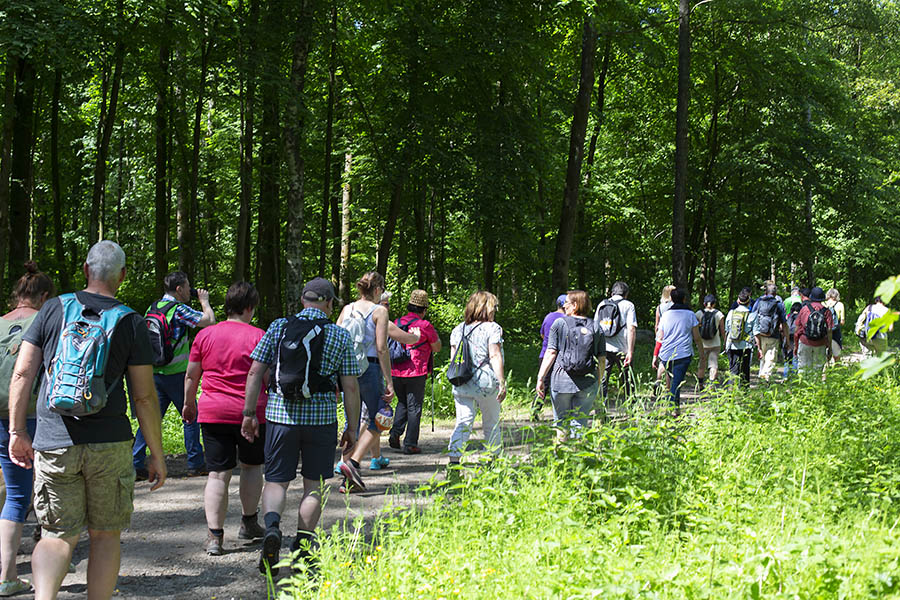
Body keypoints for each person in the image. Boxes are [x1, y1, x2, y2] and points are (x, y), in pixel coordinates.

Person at [8, 240, 166, 600]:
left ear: (85, 270)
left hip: (54, 439)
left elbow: (23, 374)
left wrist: (18, 431)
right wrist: (155, 452)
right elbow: (143, 395)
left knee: (57, 534)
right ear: (122, 276)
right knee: (106, 534)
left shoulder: (52, 309)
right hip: (109, 443)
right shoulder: (130, 321)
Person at [242, 277, 361, 575]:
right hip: (321, 421)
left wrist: (249, 413)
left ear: (303, 300)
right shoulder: (339, 335)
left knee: (276, 481)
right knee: (313, 486)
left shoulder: (279, 327)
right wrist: (352, 428)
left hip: (281, 417)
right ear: (330, 303)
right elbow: (351, 387)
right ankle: (304, 547)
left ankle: (271, 528)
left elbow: (256, 370)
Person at [182, 282, 267, 556]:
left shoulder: (205, 335)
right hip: (251, 413)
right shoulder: (259, 336)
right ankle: (249, 523)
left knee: (218, 474)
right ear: (249, 308)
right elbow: (265, 378)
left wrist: (188, 404)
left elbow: (191, 375)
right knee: (252, 467)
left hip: (213, 411)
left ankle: (215, 537)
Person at [0, 263, 54, 596]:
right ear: (44, 297)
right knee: (26, 493)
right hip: (27, 418)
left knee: (12, 491)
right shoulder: (44, 321)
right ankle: (9, 575)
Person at [335, 272, 417, 489]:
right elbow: (382, 348)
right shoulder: (379, 311)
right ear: (378, 290)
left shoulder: (347, 309)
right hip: (369, 369)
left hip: (346, 372)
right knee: (381, 418)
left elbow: (335, 340)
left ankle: (347, 480)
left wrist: (334, 377)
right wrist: (389, 381)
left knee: (351, 423)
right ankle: (352, 463)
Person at [133, 271, 216, 479]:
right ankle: (195, 462)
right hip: (176, 374)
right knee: (190, 416)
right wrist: (204, 301)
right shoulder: (179, 310)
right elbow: (209, 322)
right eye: (188, 287)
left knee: (150, 418)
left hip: (154, 373)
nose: (190, 290)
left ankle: (135, 463)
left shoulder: (153, 308)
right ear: (179, 289)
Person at [534, 290, 605, 439]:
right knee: (581, 423)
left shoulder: (559, 323)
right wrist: (598, 381)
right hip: (587, 382)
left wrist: (541, 378)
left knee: (561, 423)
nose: (564, 305)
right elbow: (602, 359)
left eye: (567, 302)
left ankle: (561, 457)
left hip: (561, 381)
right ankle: (577, 459)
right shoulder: (596, 326)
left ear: (575, 305)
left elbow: (551, 352)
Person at [448, 291, 506, 464]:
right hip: (486, 382)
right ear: (487, 308)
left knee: (463, 422)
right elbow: (494, 355)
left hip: (462, 382)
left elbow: (453, 359)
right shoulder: (493, 328)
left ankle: (454, 460)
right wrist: (502, 382)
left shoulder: (458, 329)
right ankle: (492, 460)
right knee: (491, 422)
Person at [389, 290, 441, 455]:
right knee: (414, 407)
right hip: (415, 371)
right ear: (424, 309)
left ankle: (395, 433)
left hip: (395, 369)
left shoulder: (397, 322)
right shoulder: (425, 325)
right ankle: (410, 443)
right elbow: (436, 347)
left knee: (402, 403)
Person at [652, 289, 701, 411]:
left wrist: (656, 354)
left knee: (675, 381)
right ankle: (672, 408)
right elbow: (697, 337)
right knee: (676, 382)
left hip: (666, 354)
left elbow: (660, 337)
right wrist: (702, 353)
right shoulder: (690, 315)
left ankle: (674, 408)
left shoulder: (666, 315)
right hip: (683, 353)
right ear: (684, 299)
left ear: (672, 299)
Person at [594, 282, 637, 402]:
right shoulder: (628, 305)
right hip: (622, 348)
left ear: (612, 292)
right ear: (626, 294)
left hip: (604, 348)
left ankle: (600, 411)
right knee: (627, 378)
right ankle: (632, 407)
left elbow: (595, 327)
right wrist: (630, 351)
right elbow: (631, 328)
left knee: (602, 379)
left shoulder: (602, 304)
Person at [531, 294, 567, 420]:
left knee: (543, 385)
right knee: (560, 385)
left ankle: (534, 411)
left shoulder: (548, 316)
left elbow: (542, 334)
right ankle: (560, 414)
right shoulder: (566, 318)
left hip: (544, 354)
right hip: (559, 356)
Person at [794, 286, 834, 378]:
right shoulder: (826, 311)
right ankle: (815, 389)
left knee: (803, 368)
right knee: (818, 369)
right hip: (820, 343)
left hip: (804, 341)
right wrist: (829, 347)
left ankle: (802, 388)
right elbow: (829, 331)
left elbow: (797, 329)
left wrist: (796, 345)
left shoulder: (804, 309)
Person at [752, 283, 788, 383]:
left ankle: (761, 377)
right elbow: (784, 323)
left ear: (765, 292)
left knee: (762, 356)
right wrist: (786, 339)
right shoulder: (778, 304)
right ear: (775, 293)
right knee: (770, 358)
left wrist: (753, 334)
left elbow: (752, 317)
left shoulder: (758, 301)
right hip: (773, 335)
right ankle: (765, 377)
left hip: (760, 334)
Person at [724, 288, 754, 386]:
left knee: (733, 370)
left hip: (733, 344)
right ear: (748, 301)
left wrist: (725, 344)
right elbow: (756, 332)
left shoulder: (731, 313)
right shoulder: (751, 315)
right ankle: (744, 393)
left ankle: (730, 392)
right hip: (746, 345)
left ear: (738, 300)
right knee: (745, 370)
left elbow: (727, 330)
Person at [694, 294, 725, 390]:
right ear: (714, 303)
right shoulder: (719, 314)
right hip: (715, 343)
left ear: (704, 303)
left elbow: (694, 327)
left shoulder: (699, 313)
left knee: (702, 363)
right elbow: (722, 329)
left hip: (702, 344)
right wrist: (725, 341)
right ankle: (711, 385)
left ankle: (700, 385)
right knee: (713, 364)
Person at [652, 285, 676, 397]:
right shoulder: (675, 306)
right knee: (669, 363)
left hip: (661, 335)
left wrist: (657, 336)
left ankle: (658, 381)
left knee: (662, 361)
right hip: (672, 335)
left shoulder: (659, 307)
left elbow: (657, 324)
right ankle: (668, 388)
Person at [824, 288, 845, 362]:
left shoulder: (823, 304)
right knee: (837, 353)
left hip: (825, 331)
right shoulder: (840, 305)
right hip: (836, 331)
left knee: (824, 353)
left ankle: (825, 370)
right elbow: (842, 321)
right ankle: (836, 368)